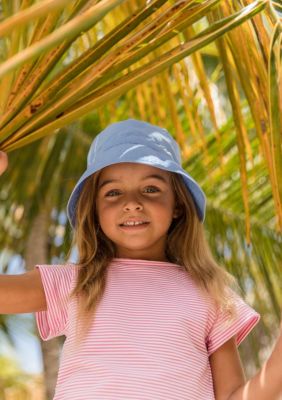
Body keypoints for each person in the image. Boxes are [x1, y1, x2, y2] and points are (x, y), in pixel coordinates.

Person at [0, 119, 281, 400]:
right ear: (95, 211)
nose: (132, 202)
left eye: (150, 189)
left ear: (178, 207)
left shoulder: (211, 294)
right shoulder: (74, 282)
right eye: (113, 192)